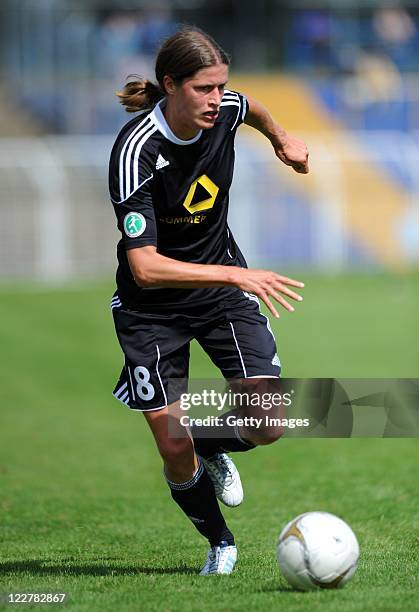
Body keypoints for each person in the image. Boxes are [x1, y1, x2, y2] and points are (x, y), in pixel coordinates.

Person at [108, 25, 308, 575]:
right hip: (153, 309)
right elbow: (144, 268)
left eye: (221, 86)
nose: (217, 100)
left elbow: (253, 108)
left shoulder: (227, 107)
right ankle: (221, 543)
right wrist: (236, 277)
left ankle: (209, 443)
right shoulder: (136, 150)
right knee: (173, 449)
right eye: (203, 89)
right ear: (170, 85)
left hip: (219, 292)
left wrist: (282, 139)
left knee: (268, 421)